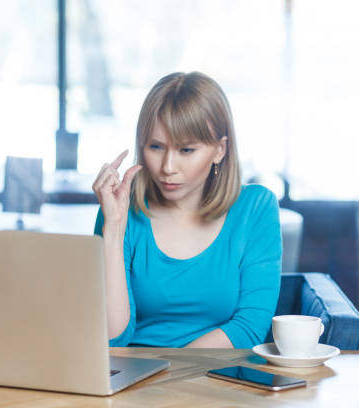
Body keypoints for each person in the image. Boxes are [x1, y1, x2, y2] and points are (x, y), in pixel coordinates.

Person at [92, 72, 282, 348]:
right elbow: (112, 340)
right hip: (134, 381)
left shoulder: (256, 208)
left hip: (216, 381)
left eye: (186, 150)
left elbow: (249, 328)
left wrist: (166, 374)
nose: (168, 167)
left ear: (220, 150)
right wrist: (113, 229)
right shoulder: (120, 210)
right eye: (156, 147)